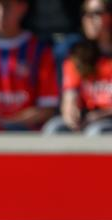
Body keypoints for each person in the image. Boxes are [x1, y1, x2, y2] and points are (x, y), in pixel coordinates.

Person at [0, 0, 60, 130]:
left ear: (22, 7)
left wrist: (9, 123)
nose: (0, 13)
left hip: (28, 133)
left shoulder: (40, 51)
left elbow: (46, 108)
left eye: (7, 6)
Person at [43, 0, 112, 135]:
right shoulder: (78, 56)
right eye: (85, 14)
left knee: (97, 131)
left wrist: (102, 115)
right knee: (55, 127)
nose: (88, 19)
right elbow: (70, 97)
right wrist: (71, 114)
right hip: (87, 119)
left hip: (104, 122)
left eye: (96, 13)